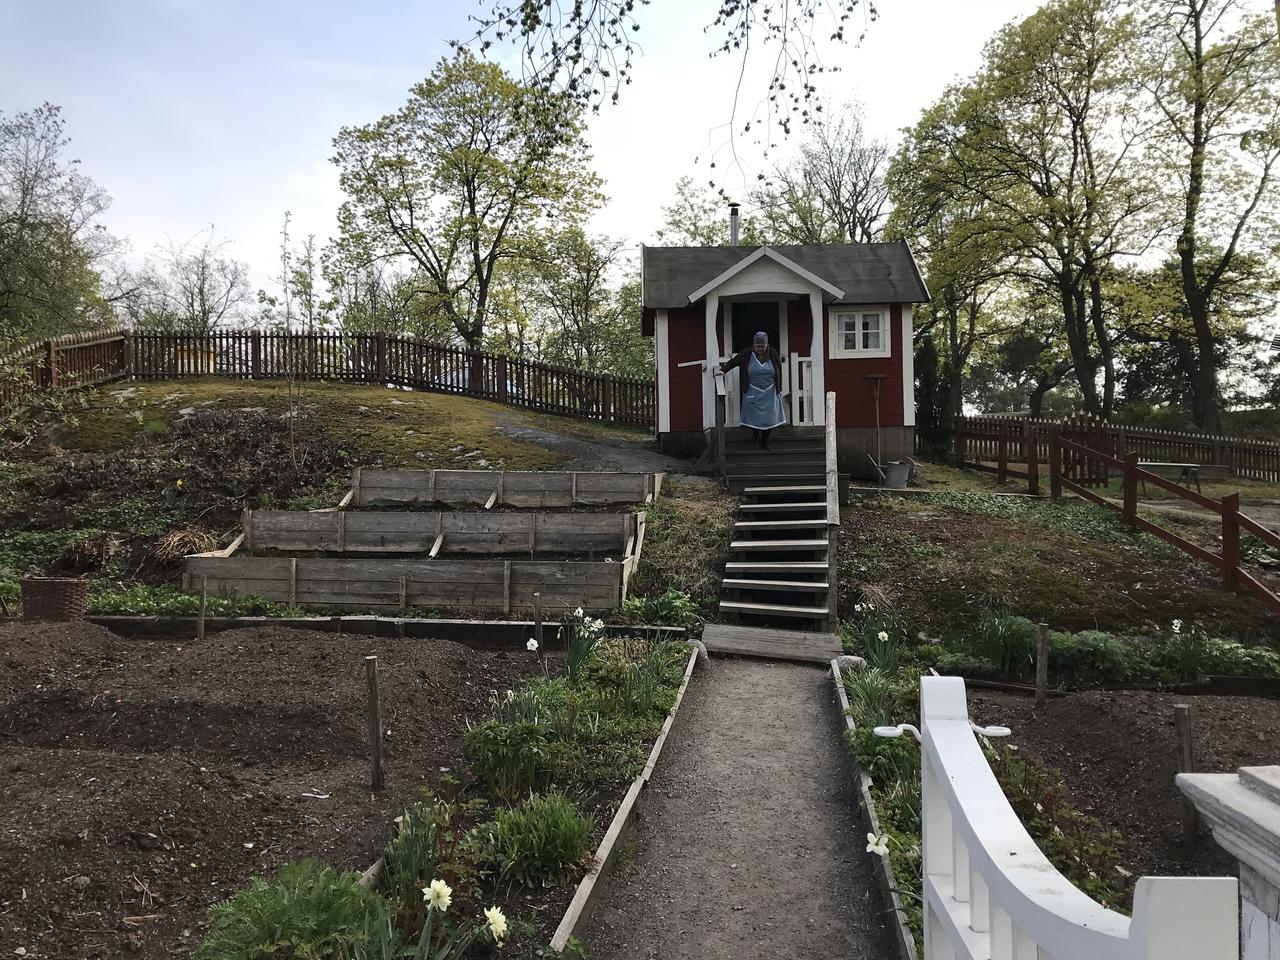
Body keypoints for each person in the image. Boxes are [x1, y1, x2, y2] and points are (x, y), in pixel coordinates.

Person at [720, 331, 787, 449]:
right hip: (752, 390)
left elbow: (778, 369)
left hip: (770, 391)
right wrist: (723, 370)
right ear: (754, 345)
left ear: (767, 344)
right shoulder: (747, 354)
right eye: (757, 346)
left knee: (770, 417)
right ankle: (756, 438)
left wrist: (779, 386)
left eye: (762, 346)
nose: (760, 349)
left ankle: (763, 442)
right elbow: (734, 362)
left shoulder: (773, 353)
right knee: (753, 417)